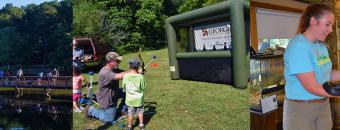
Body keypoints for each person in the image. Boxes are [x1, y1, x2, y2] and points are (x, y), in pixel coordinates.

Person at [283, 4, 340, 130]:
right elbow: (312, 87)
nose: (330, 30)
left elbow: (327, 73)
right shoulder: (298, 47)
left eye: (331, 25)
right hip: (301, 109)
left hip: (323, 105)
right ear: (313, 21)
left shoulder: (321, 46)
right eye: (327, 24)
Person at [85, 52, 127, 123]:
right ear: (111, 62)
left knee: (129, 91)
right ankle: (90, 110)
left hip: (114, 94)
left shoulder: (114, 69)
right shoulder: (105, 72)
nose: (119, 62)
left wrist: (136, 71)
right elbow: (120, 76)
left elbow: (124, 72)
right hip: (107, 100)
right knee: (109, 119)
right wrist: (134, 72)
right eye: (117, 61)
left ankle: (121, 111)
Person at [123, 58, 146, 130]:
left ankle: (130, 126)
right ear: (138, 66)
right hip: (139, 100)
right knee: (140, 112)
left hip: (130, 100)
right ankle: (141, 125)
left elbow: (124, 86)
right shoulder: (140, 77)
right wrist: (141, 75)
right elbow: (143, 87)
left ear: (129, 66)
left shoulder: (125, 76)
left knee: (130, 113)